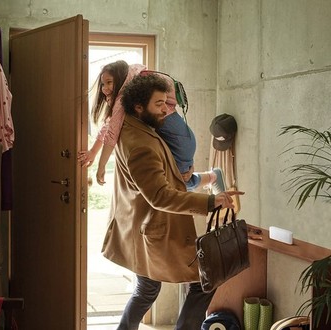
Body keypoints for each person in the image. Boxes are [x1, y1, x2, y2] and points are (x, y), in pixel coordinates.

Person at [100, 73, 244, 330]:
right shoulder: (141, 144)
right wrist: (211, 201)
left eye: (166, 103)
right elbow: (159, 196)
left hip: (138, 227)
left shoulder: (134, 127)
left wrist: (177, 173)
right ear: (138, 107)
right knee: (204, 280)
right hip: (154, 229)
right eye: (159, 104)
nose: (166, 110)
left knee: (147, 288)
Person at [78, 60, 224, 192]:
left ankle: (212, 178)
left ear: (121, 79)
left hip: (179, 143)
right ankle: (212, 177)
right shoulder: (130, 92)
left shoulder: (124, 98)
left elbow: (111, 133)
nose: (104, 88)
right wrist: (93, 152)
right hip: (183, 139)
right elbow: (109, 126)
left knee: (172, 187)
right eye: (103, 84)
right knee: (176, 184)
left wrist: (101, 166)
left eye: (109, 82)